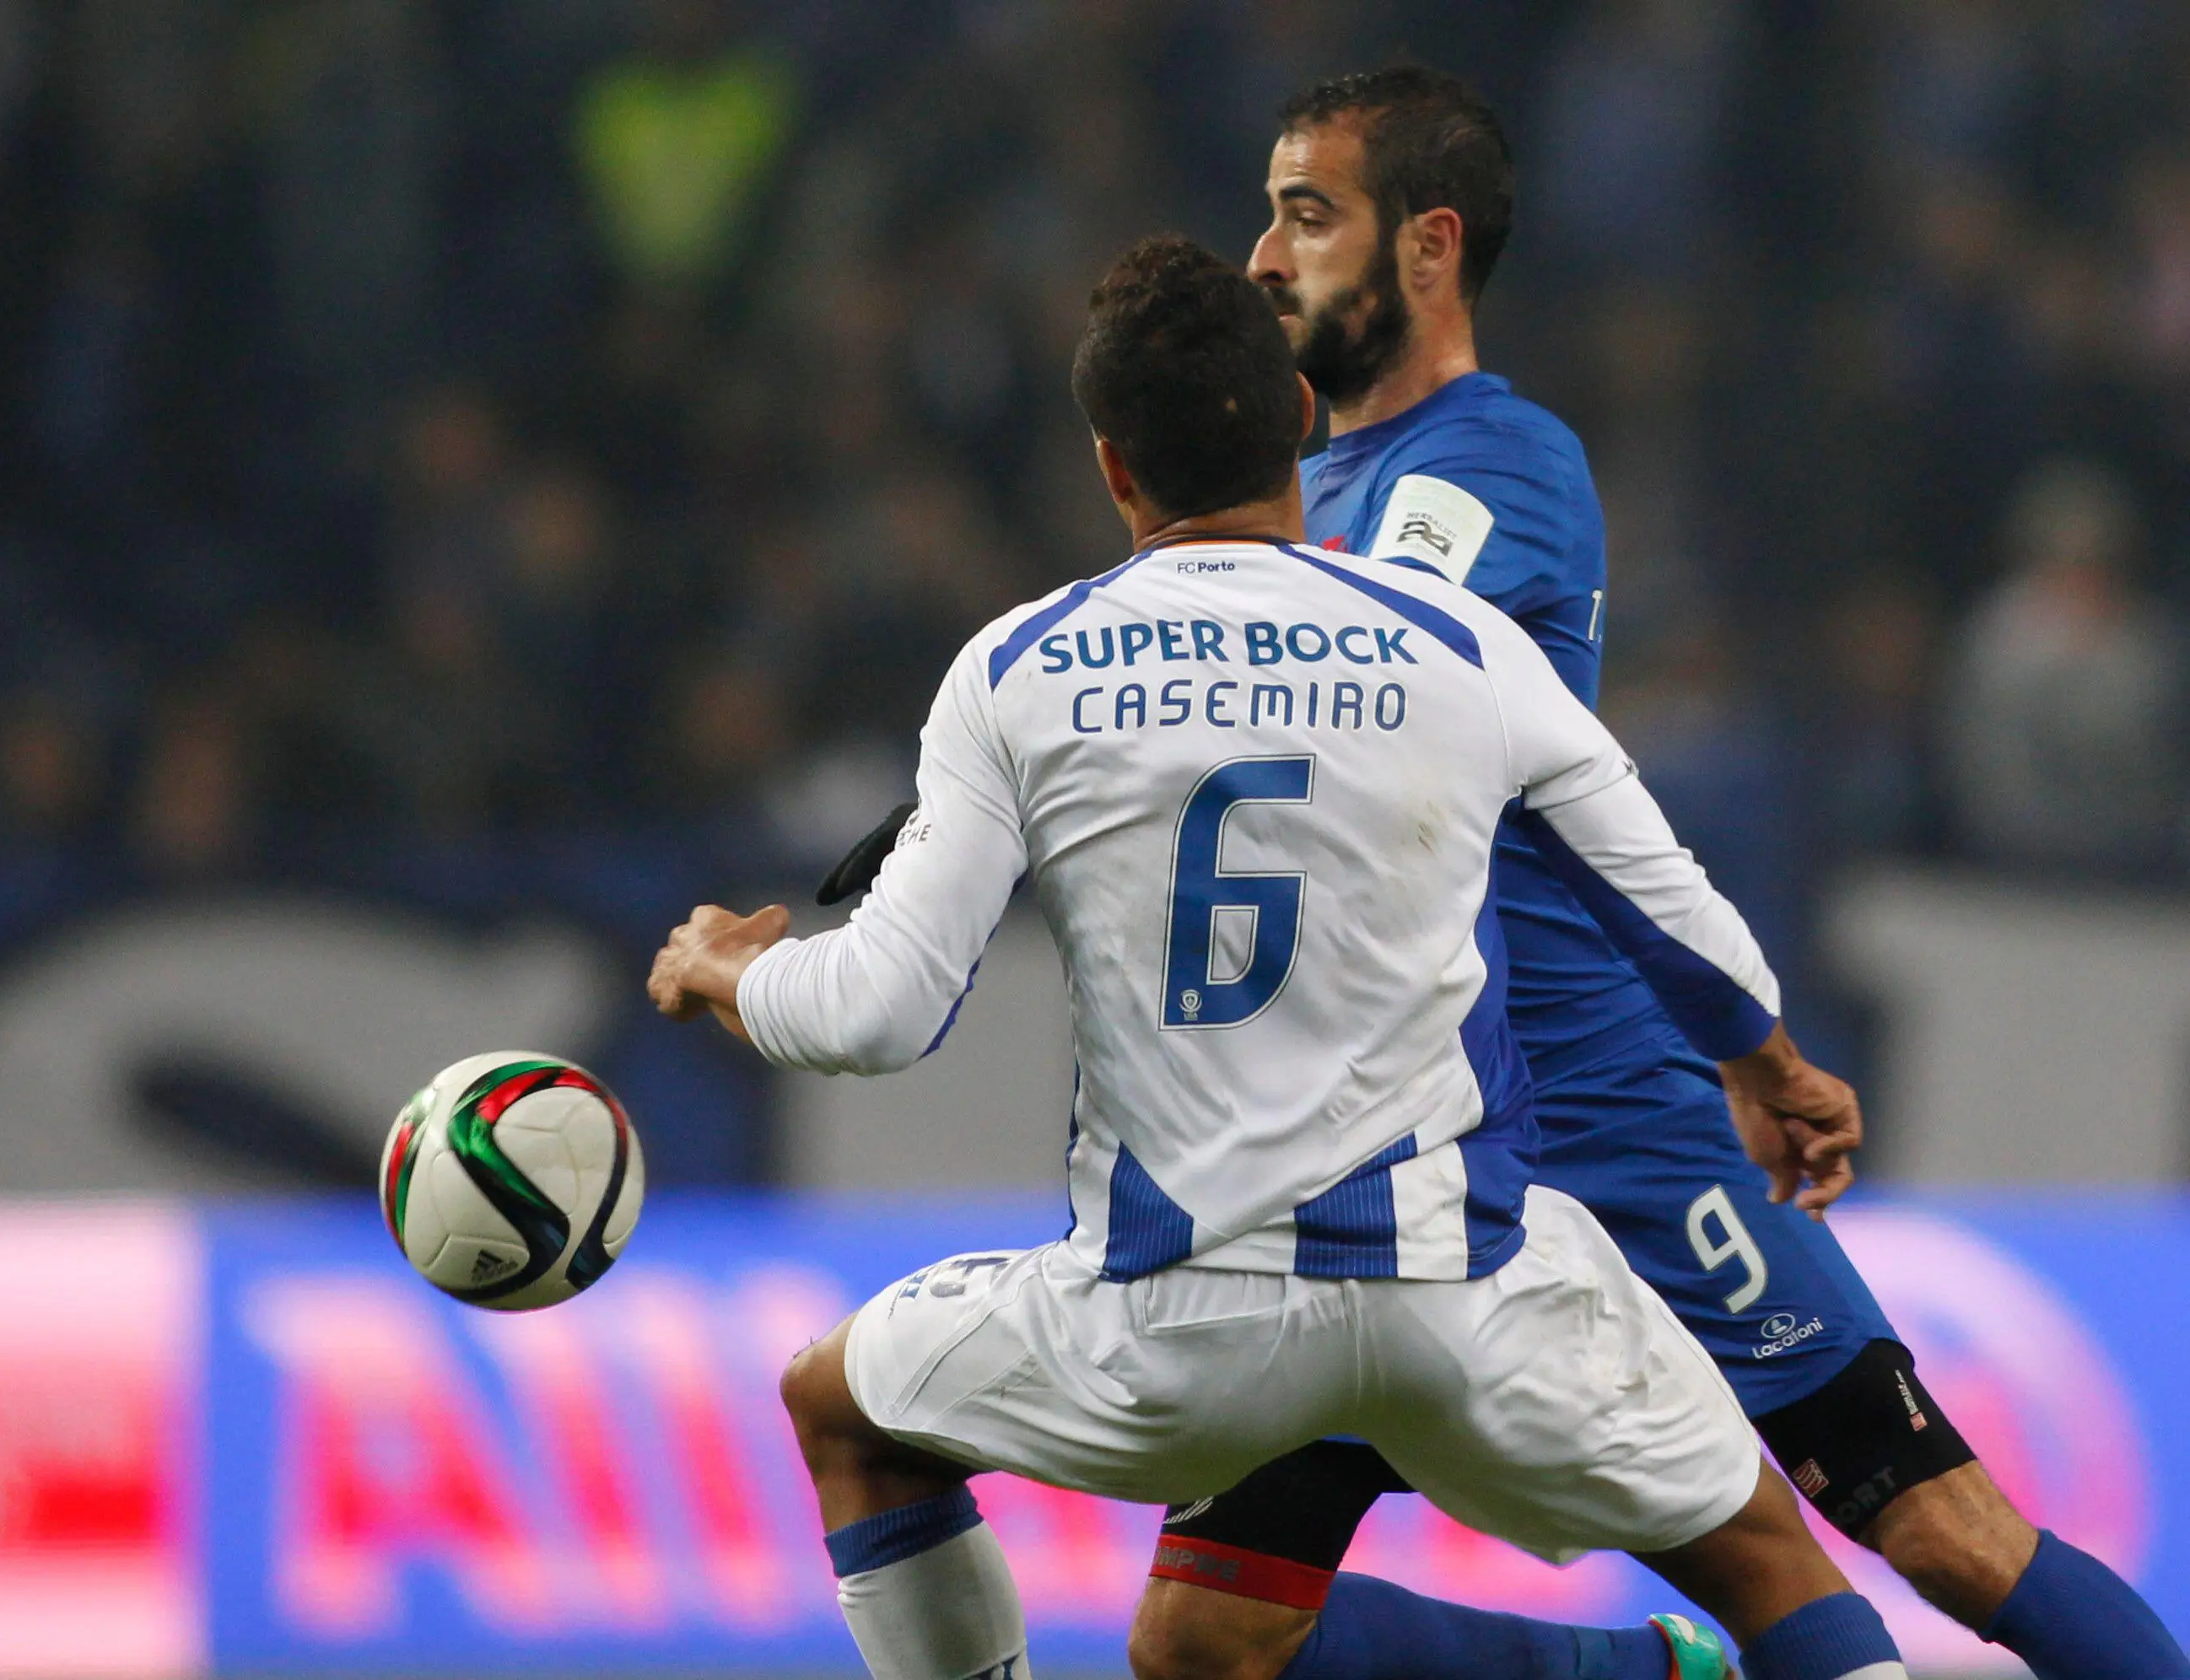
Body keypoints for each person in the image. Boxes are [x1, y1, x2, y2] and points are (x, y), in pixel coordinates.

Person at [649, 234, 1912, 1680]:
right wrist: (1773, 1067)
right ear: (1304, 423)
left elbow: (877, 1012)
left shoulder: (1017, 669)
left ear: (1114, 469)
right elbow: (1664, 901)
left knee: (841, 1408)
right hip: (1464, 1295)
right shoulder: (1452, 637)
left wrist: (725, 973)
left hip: (1182, 1332)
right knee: (1766, 1564)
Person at [1099, 67, 2186, 1680]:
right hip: (1377, 1163)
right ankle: (1645, 1675)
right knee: (1204, 1646)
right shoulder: (1301, 504)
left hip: (1596, 1112)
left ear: (1428, 247)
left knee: (1937, 1529)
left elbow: (1365, 675)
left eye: (1308, 214)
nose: (1265, 256)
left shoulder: (1495, 467)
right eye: (1268, 213)